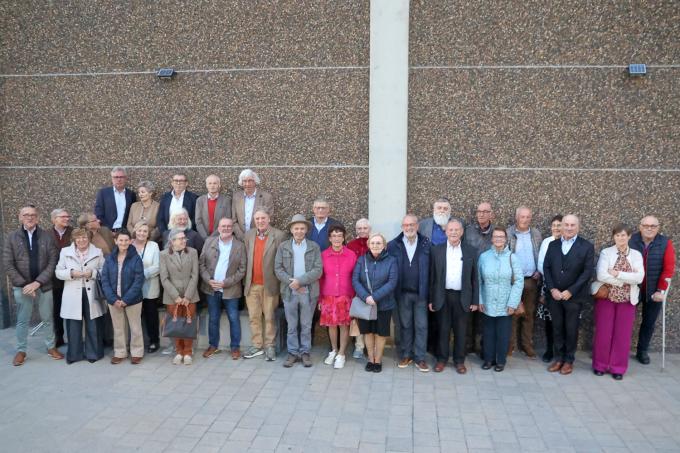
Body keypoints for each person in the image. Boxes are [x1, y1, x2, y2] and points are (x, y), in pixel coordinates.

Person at [4, 205, 62, 366]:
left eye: (33, 215)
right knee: (22, 320)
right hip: (22, 287)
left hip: (43, 285)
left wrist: (37, 283)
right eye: (26, 215)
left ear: (38, 217)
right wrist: (25, 285)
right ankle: (21, 350)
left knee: (47, 318)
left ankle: (51, 347)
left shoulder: (47, 236)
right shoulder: (12, 237)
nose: (30, 217)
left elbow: (52, 261)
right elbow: (8, 264)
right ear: (20, 217)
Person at [543, 214, 594, 375]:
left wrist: (571, 291)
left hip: (574, 297)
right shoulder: (553, 245)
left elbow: (587, 272)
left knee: (571, 329)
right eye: (566, 225)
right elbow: (546, 268)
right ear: (562, 226)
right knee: (557, 328)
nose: (569, 228)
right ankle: (558, 359)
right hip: (555, 296)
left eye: (573, 225)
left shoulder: (586, 246)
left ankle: (568, 360)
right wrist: (552, 289)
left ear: (578, 227)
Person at [592, 224, 644, 380]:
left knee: (623, 335)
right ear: (613, 237)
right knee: (603, 333)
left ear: (629, 237)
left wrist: (617, 273)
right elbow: (601, 275)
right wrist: (626, 279)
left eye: (623, 235)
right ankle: (600, 365)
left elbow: (639, 278)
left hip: (627, 300)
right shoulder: (606, 253)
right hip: (607, 298)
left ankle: (618, 368)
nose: (620, 238)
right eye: (617, 235)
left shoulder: (636, 255)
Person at [429, 219, 478, 374]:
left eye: (457, 230)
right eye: (451, 230)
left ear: (462, 232)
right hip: (442, 296)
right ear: (446, 232)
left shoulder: (470, 251)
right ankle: (441, 359)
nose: (454, 232)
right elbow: (432, 277)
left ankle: (459, 361)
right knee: (442, 330)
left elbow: (475, 278)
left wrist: (475, 300)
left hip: (462, 297)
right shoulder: (436, 250)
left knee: (461, 331)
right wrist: (431, 299)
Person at [275, 214, 323, 368]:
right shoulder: (283, 247)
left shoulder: (314, 247)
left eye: (302, 228)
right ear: (291, 229)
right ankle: (292, 352)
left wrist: (300, 282)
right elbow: (278, 268)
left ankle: (305, 352)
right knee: (292, 325)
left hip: (308, 292)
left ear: (306, 230)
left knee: (306, 325)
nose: (299, 231)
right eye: (296, 228)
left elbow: (318, 270)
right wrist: (293, 283)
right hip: (289, 292)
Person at [629, 216, 676, 365]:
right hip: (632, 288)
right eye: (646, 225)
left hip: (654, 290)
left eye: (653, 226)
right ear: (640, 226)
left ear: (658, 227)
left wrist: (661, 290)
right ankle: (620, 349)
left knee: (648, 322)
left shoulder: (665, 243)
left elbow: (668, 268)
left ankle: (642, 351)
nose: (649, 228)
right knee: (626, 320)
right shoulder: (631, 240)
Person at [387, 214, 431, 372]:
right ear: (402, 227)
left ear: (417, 226)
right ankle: (406, 354)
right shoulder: (393, 245)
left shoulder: (426, 243)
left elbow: (432, 269)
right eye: (406, 225)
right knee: (405, 325)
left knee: (421, 326)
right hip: (402, 293)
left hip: (421, 293)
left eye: (412, 224)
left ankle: (420, 357)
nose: (409, 228)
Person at [55, 228, 105, 364]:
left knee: (93, 325)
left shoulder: (98, 252)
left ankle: (93, 354)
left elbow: (104, 270)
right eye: (78, 238)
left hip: (92, 293)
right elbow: (58, 272)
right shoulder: (65, 252)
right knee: (73, 326)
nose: (81, 240)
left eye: (84, 237)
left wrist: (93, 273)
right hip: (72, 294)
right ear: (74, 239)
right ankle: (74, 355)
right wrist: (71, 273)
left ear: (89, 238)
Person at [199, 218, 247, 360]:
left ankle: (235, 347)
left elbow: (242, 269)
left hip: (231, 289)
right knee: (213, 318)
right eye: (223, 226)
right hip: (212, 288)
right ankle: (213, 346)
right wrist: (209, 280)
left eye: (229, 226)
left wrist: (226, 283)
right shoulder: (209, 242)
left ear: (232, 228)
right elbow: (201, 264)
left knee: (233, 318)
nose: (226, 228)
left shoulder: (240, 245)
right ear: (218, 228)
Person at [478, 228, 524, 372]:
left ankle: (501, 361)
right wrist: (480, 300)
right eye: (496, 236)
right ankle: (488, 359)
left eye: (501, 237)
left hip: (506, 302)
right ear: (492, 239)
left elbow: (519, 281)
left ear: (505, 239)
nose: (498, 239)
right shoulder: (484, 257)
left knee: (503, 334)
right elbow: (478, 280)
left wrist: (513, 303)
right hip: (487, 301)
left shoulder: (512, 258)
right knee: (488, 333)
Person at [242, 209, 286, 361]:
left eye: (263, 218)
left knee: (269, 317)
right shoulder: (249, 235)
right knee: (254, 317)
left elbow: (282, 260)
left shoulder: (279, 235)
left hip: (270, 284)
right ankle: (257, 345)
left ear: (269, 219)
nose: (260, 221)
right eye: (257, 219)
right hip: (252, 284)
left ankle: (270, 346)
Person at [352, 232, 398, 373]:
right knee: (368, 332)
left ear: (384, 245)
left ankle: (378, 360)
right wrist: (366, 296)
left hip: (384, 304)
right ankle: (370, 359)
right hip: (365, 304)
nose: (375, 245)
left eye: (378, 243)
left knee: (380, 333)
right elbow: (355, 280)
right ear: (368, 245)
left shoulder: (391, 261)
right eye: (372, 243)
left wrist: (375, 297)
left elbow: (392, 282)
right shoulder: (361, 260)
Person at [100, 229, 145, 364]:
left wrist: (126, 299)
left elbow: (138, 281)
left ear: (130, 241)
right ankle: (120, 352)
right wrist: (113, 299)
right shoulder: (109, 258)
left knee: (135, 327)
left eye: (126, 240)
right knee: (118, 327)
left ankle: (137, 352)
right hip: (114, 300)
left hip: (133, 300)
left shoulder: (136, 258)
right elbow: (105, 280)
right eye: (121, 240)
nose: (123, 243)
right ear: (116, 241)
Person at [318, 224, 357, 369]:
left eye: (339, 236)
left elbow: (355, 277)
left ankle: (341, 354)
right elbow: (320, 278)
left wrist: (355, 297)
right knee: (331, 325)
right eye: (334, 236)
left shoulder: (351, 255)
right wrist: (320, 298)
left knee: (344, 325)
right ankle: (334, 350)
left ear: (344, 237)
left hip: (345, 296)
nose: (336, 239)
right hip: (328, 295)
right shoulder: (323, 255)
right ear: (329, 238)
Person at [160, 229, 201, 365]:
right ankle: (178, 351)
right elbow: (164, 278)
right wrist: (176, 296)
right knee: (176, 324)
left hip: (190, 295)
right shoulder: (164, 254)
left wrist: (187, 296)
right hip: (172, 296)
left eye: (185, 238)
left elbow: (195, 275)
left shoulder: (193, 252)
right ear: (172, 241)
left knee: (189, 323)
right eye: (181, 238)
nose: (184, 240)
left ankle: (188, 352)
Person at [506, 206, 542, 358]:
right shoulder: (509, 233)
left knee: (528, 314)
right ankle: (510, 346)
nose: (525, 220)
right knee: (512, 313)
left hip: (531, 280)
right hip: (514, 280)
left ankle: (527, 345)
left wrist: (539, 270)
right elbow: (506, 255)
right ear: (516, 218)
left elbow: (540, 254)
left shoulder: (536, 234)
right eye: (522, 216)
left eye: (528, 217)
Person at [464, 202, 495, 356]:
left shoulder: (496, 233)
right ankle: (468, 345)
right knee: (469, 314)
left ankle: (483, 348)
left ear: (491, 214)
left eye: (485, 211)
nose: (481, 214)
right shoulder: (469, 231)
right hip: (470, 278)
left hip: (488, 280)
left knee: (484, 315)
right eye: (479, 211)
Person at [131, 221, 161, 353]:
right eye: (139, 230)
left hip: (149, 287)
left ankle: (154, 341)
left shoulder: (153, 246)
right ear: (135, 231)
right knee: (135, 317)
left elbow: (157, 266)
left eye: (145, 231)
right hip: (132, 287)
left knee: (151, 315)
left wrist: (141, 275)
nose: (142, 233)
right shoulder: (129, 245)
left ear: (148, 234)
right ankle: (137, 343)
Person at [537, 215, 563, 363]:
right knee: (550, 320)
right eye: (554, 225)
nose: (556, 228)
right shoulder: (547, 242)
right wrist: (553, 278)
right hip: (549, 285)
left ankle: (562, 350)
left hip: (566, 287)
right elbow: (541, 264)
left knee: (564, 320)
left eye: (559, 225)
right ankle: (549, 349)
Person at [346, 218, 370, 358]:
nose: (362, 231)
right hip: (356, 286)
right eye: (359, 228)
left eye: (365, 228)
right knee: (358, 317)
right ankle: (359, 346)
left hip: (372, 287)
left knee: (371, 318)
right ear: (355, 230)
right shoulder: (350, 245)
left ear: (369, 229)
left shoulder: (374, 242)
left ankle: (370, 346)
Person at [50, 208, 73, 348]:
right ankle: (59, 336)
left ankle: (74, 337)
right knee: (56, 308)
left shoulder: (73, 232)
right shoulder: (45, 234)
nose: (66, 219)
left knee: (73, 308)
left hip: (72, 276)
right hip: (53, 278)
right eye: (63, 216)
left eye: (67, 216)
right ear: (54, 219)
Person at [232, 169, 274, 240]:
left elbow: (270, 219)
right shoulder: (236, 197)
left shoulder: (266, 197)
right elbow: (234, 220)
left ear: (255, 181)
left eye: (250, 181)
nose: (247, 184)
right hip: (240, 238)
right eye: (244, 181)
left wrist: (257, 236)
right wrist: (241, 236)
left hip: (259, 237)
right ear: (241, 183)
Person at [94, 166, 137, 233]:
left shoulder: (131, 194)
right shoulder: (103, 193)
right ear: (112, 178)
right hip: (107, 232)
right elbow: (98, 214)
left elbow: (133, 215)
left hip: (124, 232)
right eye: (116, 177)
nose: (119, 179)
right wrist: (108, 230)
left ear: (126, 178)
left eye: (121, 177)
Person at [195, 174, 232, 240]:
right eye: (210, 183)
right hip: (203, 238)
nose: (212, 186)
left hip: (220, 237)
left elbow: (227, 220)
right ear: (206, 185)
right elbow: (198, 221)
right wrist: (205, 237)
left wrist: (212, 238)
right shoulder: (200, 200)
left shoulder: (226, 200)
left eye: (215, 183)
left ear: (219, 185)